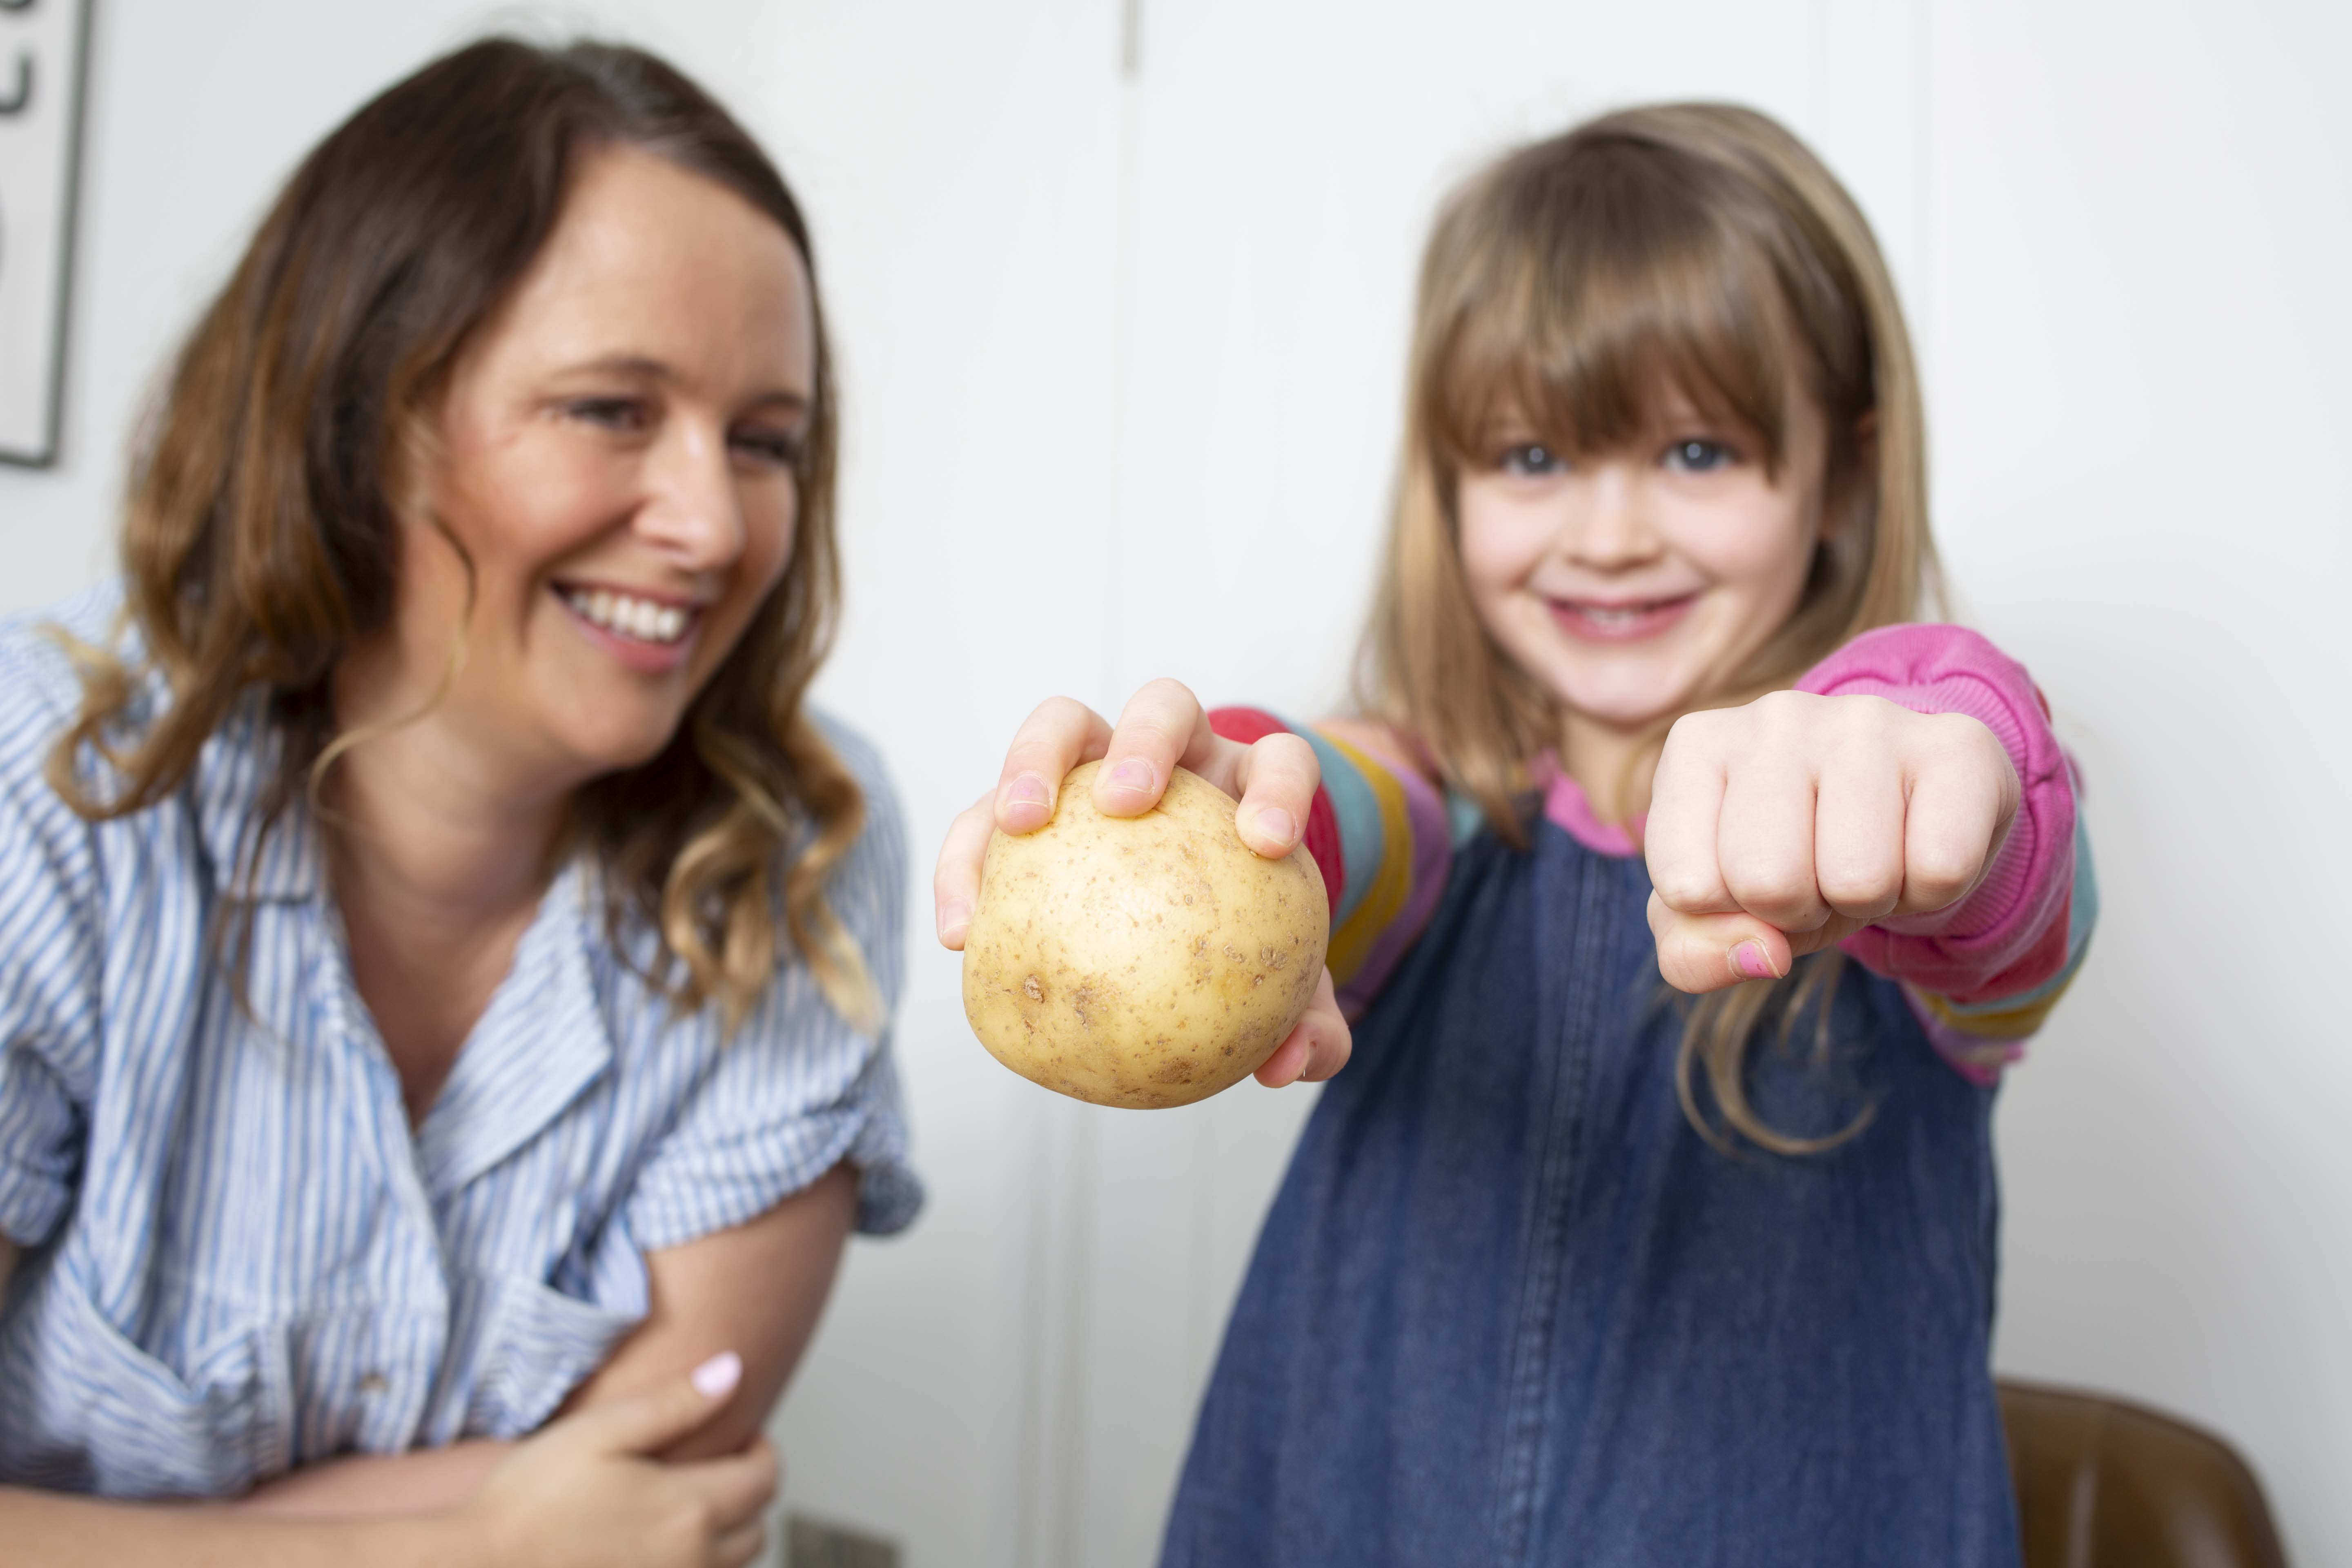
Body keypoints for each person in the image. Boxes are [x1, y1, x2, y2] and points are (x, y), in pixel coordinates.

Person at [935, 103, 2094, 1565]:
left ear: (1845, 474)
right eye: (1535, 458)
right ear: (1451, 483)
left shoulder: (1892, 853)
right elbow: (1343, 810)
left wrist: (1941, 760)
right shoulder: (1434, 817)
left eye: (1695, 450)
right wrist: (1236, 809)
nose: (1608, 533)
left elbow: (2009, 879)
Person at [0, 38, 917, 1567]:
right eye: (611, 410)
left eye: (765, 442)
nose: (710, 524)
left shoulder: (806, 843)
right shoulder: (44, 792)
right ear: (354, 420)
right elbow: (568, 1536)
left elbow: (669, 1486)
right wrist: (449, 1548)